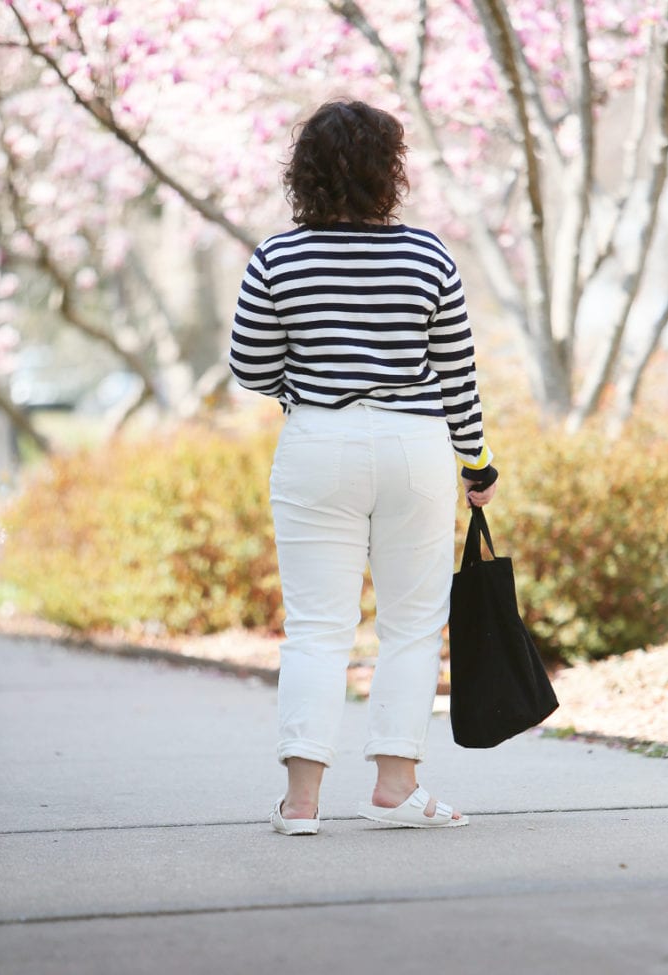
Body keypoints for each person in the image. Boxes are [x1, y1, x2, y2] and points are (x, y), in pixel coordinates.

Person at [229, 100, 497, 835]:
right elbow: (457, 375)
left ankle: (302, 802)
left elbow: (248, 364)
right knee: (412, 623)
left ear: (303, 172)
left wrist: (305, 389)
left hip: (318, 443)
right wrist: (477, 459)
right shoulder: (427, 255)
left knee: (317, 626)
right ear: (391, 171)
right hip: (416, 449)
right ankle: (396, 785)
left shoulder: (278, 257)